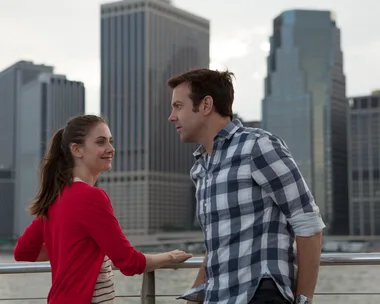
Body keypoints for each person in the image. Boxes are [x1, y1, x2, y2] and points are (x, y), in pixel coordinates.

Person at [167, 69, 325, 304]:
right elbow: (217, 247)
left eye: (178, 106)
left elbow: (308, 223)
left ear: (206, 105)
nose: (172, 116)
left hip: (259, 295)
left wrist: (303, 300)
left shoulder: (257, 146)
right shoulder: (201, 169)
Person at [14, 114, 192, 304]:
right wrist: (170, 256)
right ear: (77, 149)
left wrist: (74, 249)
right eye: (101, 142)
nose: (111, 149)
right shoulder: (91, 197)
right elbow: (130, 262)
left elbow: (23, 251)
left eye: (111, 141)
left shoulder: (56, 197)